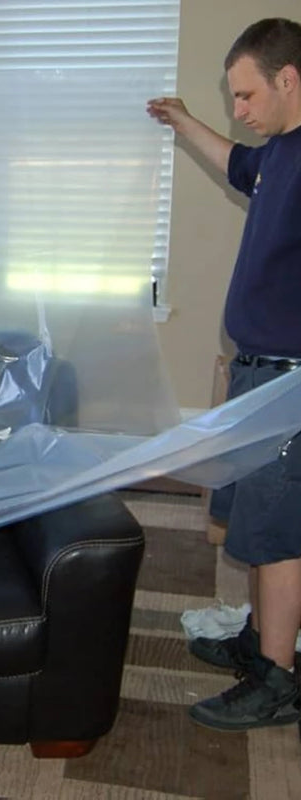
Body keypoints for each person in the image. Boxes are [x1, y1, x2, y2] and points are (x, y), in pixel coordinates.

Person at [147, 17, 301, 733]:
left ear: (288, 79)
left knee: (279, 534)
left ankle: (277, 677)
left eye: (245, 95)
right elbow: (235, 160)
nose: (238, 110)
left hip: (291, 385)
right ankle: (256, 640)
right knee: (250, 518)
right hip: (258, 375)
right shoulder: (277, 155)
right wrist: (182, 122)